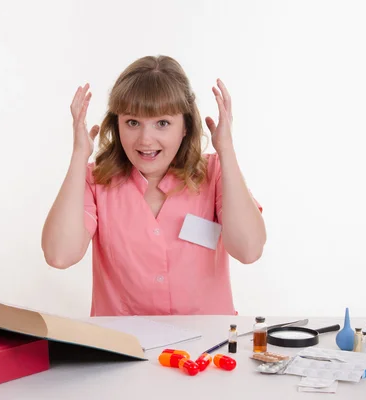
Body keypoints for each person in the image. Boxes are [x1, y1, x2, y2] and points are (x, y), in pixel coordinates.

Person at [41, 55, 266, 316]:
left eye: (162, 123)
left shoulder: (215, 172)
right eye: (133, 123)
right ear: (117, 125)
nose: (146, 139)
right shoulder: (95, 180)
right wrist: (79, 155)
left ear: (185, 127)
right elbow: (59, 255)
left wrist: (226, 150)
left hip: (206, 351)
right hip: (124, 349)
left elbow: (249, 250)